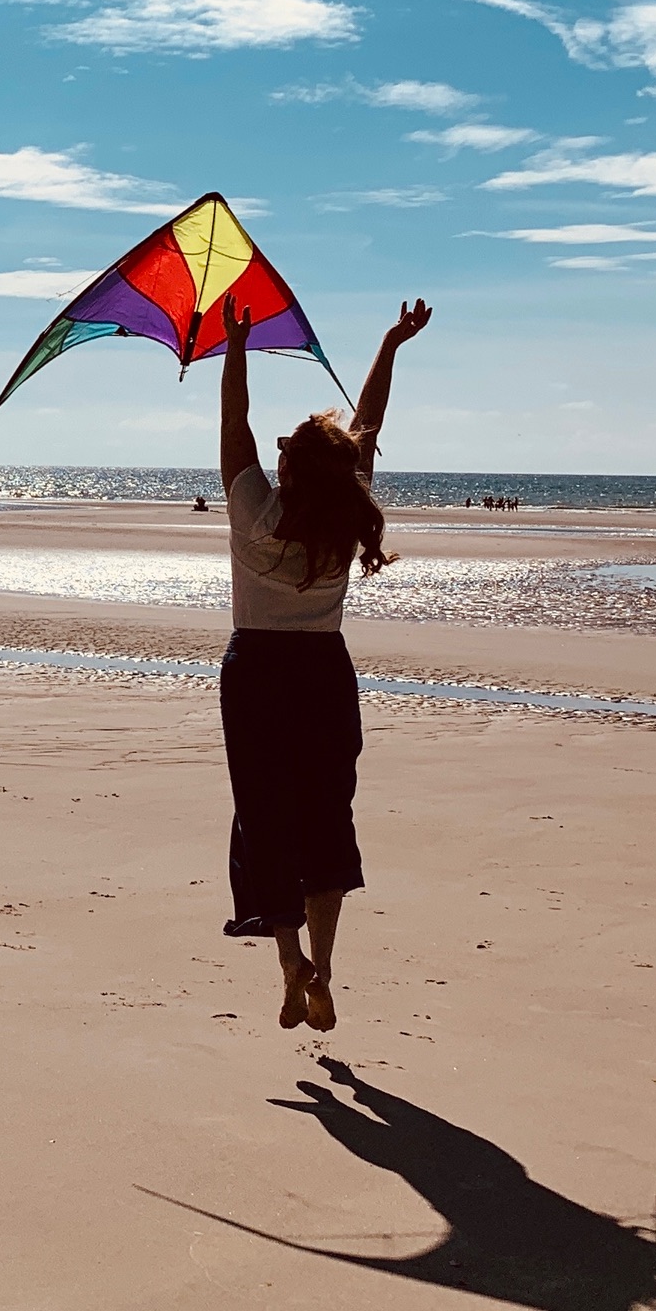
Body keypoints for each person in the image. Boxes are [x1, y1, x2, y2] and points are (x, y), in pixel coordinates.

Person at [217, 293, 433, 1033]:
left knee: (265, 817)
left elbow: (232, 424)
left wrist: (236, 347)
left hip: (256, 673)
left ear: (286, 465)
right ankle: (326, 967)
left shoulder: (254, 508)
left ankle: (289, 966)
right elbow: (367, 420)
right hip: (321, 673)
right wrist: (391, 344)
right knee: (325, 816)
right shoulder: (344, 513)